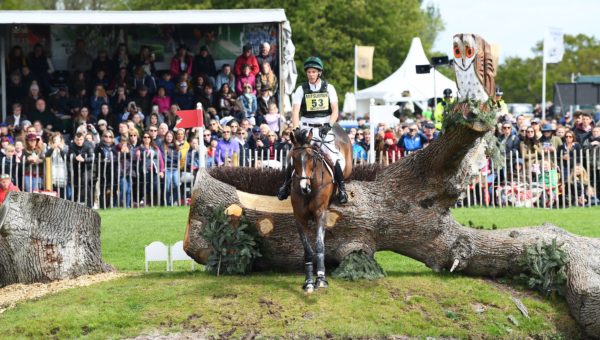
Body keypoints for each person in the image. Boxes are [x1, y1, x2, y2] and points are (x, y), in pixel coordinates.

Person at [277, 56, 347, 203]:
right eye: (309, 72)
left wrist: (329, 125)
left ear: (319, 73)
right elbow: (295, 111)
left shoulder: (329, 88)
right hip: (306, 129)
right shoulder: (301, 89)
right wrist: (296, 128)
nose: (311, 74)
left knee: (333, 157)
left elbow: (335, 110)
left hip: (324, 128)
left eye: (314, 72)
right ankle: (285, 186)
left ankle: (342, 189)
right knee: (293, 156)